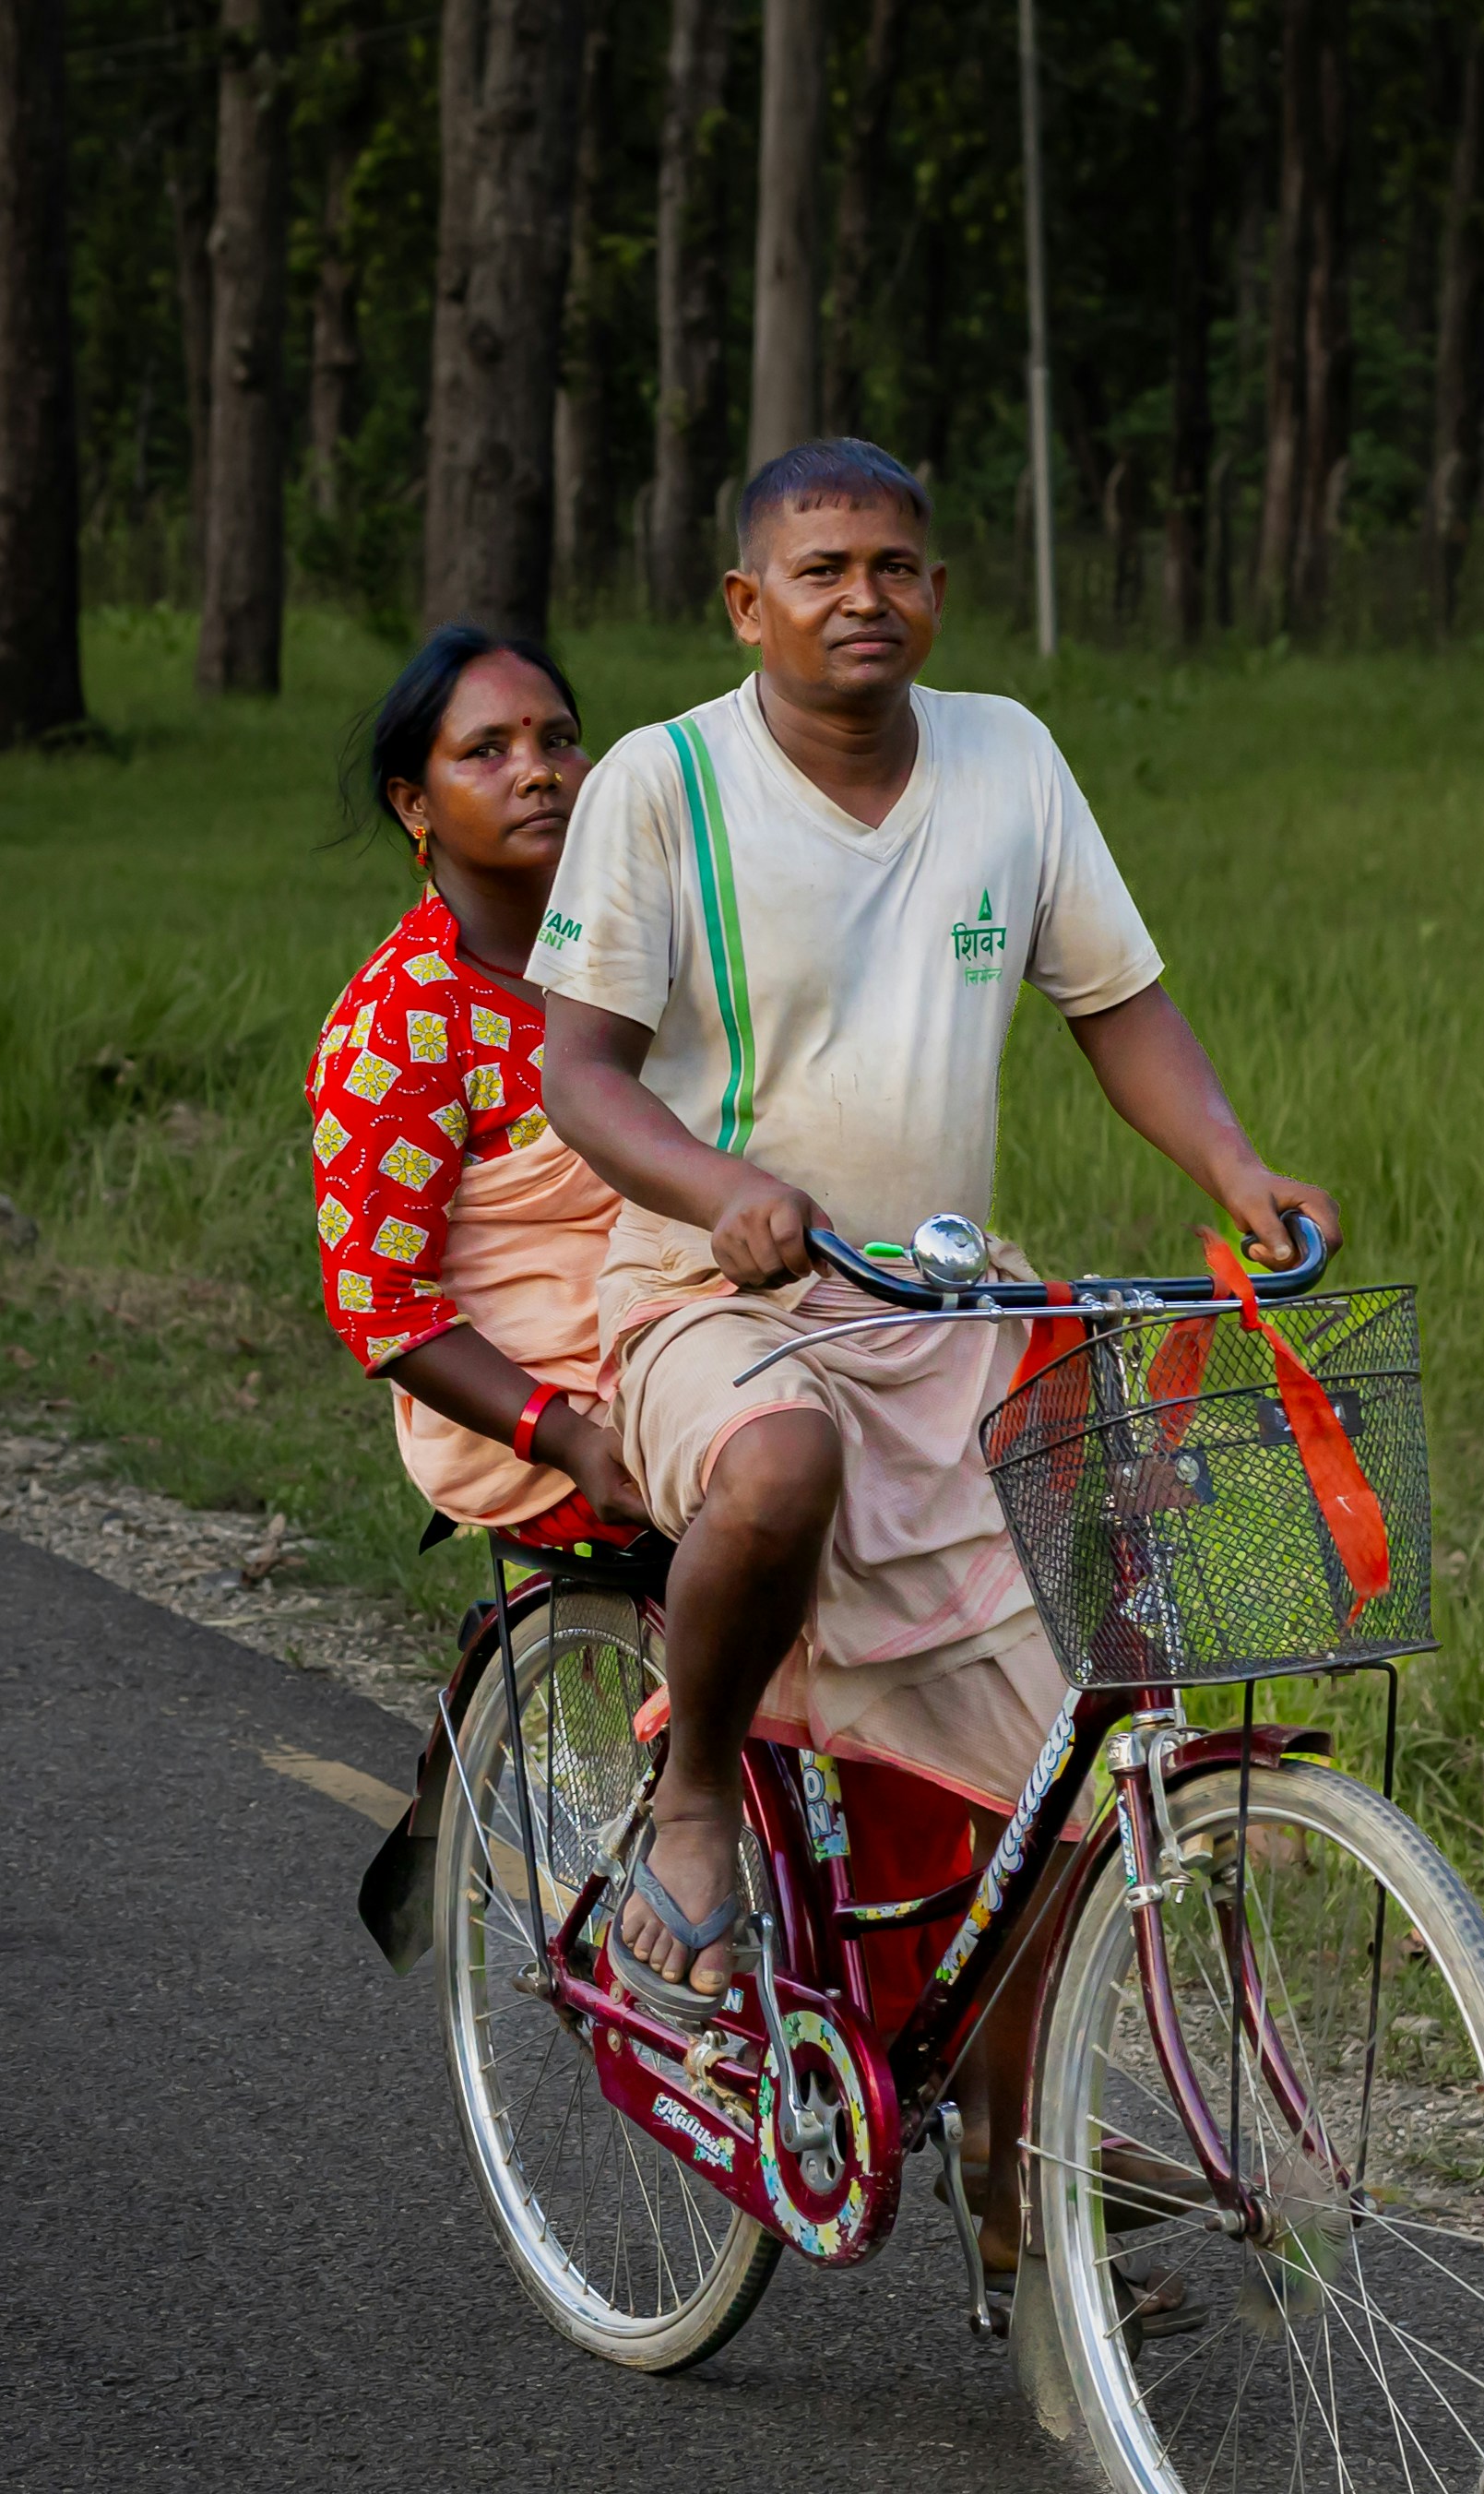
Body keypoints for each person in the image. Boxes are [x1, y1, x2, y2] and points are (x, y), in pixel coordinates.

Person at [530, 437, 1338, 2020]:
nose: (861, 599)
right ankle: (694, 1798)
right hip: (718, 1296)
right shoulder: (661, 779)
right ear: (744, 604)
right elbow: (579, 1072)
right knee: (777, 1466)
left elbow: (1116, 1002)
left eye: (892, 567)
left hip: (945, 1308)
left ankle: (1011, 2221)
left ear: (939, 592)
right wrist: (720, 1191)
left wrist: (1239, 1171)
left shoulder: (1007, 758)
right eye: (819, 572)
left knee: (1065, 1768)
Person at [308, 626, 650, 1552]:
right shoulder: (405, 1015)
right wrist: (570, 1436)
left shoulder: (645, 944)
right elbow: (381, 1303)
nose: (539, 771)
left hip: (696, 1335)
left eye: (559, 740)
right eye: (488, 750)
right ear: (415, 802)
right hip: (549, 1427)